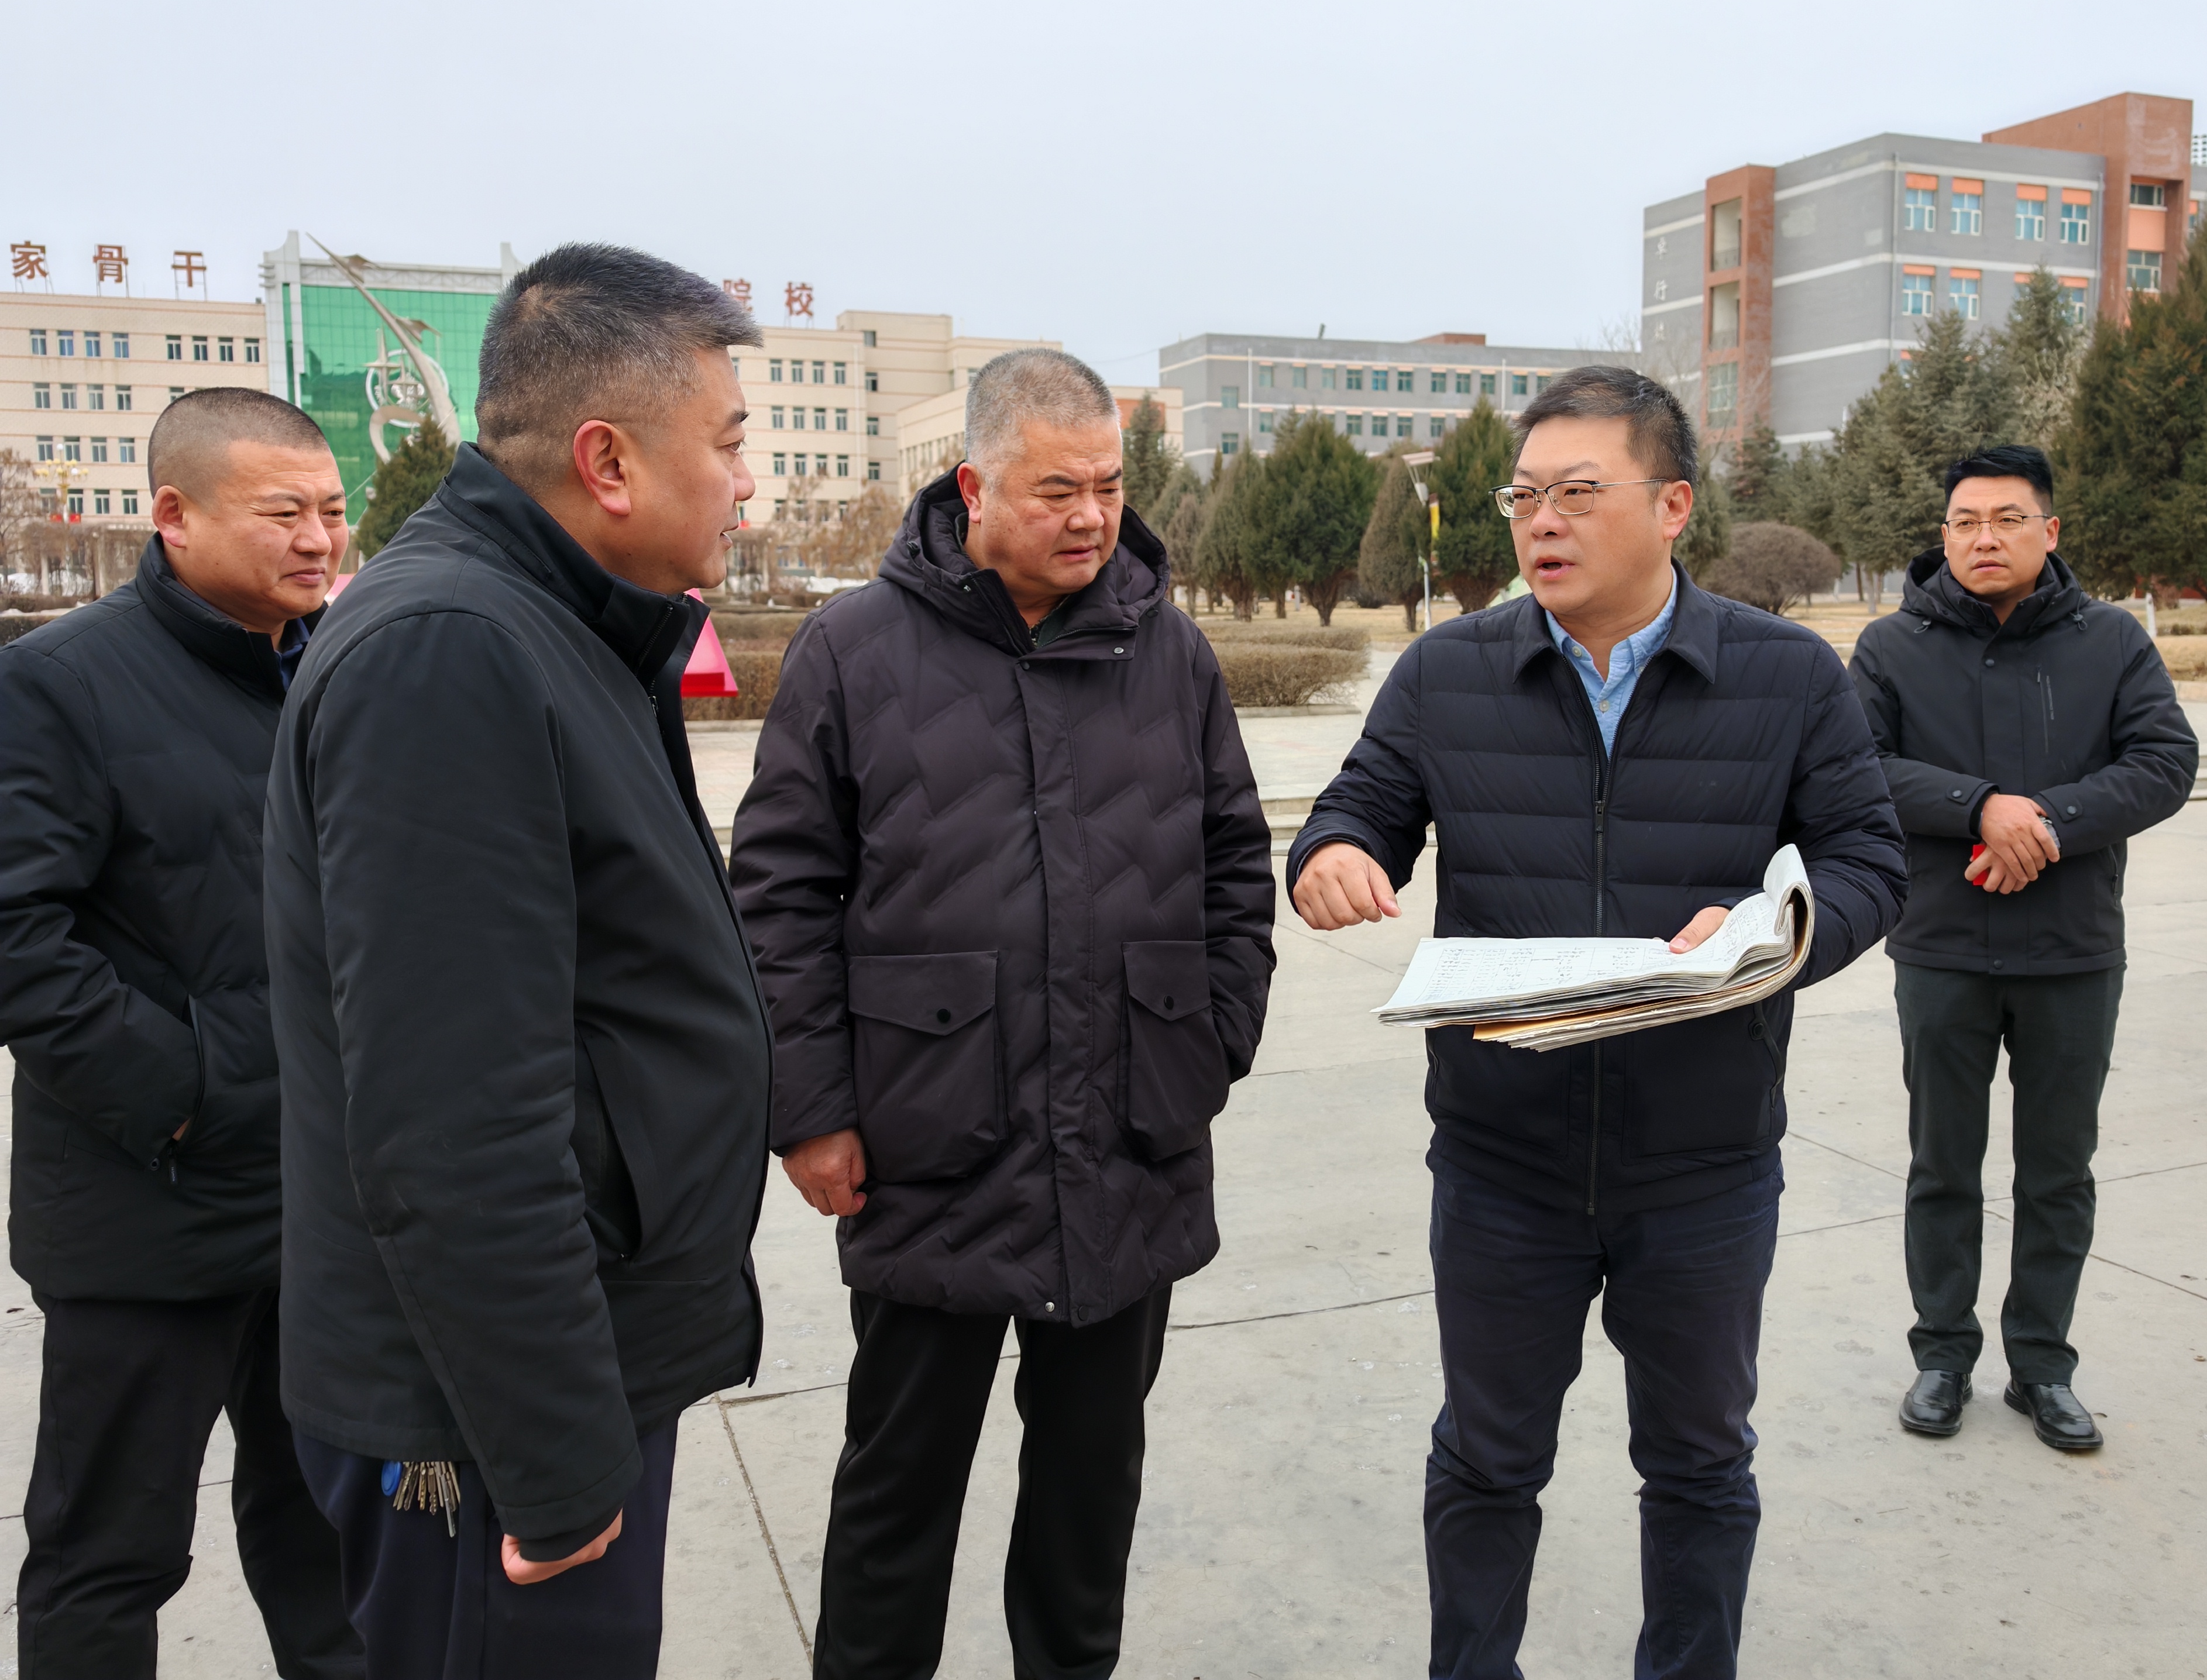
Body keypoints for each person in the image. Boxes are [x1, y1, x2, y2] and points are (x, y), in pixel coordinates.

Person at [1289, 367, 1907, 1680]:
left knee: (1698, 1465)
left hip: (1703, 1166)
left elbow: (1868, 857)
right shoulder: (1448, 672)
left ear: (1672, 505)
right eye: (1524, 497)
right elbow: (1360, 806)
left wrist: (1778, 930)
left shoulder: (1789, 677)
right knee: (1485, 1459)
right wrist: (1332, 856)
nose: (1542, 521)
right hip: (1501, 1163)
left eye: (1578, 491)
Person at [263, 245, 774, 1678]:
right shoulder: (449, 653)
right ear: (608, 461)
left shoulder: (555, 625)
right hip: (483, 1427)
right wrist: (551, 1463)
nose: (748, 483)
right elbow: (454, 1125)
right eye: (729, 442)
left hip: (554, 1375)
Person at [731, 347, 1275, 1679]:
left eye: (1109, 487)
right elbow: (781, 893)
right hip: (927, 1143)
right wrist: (810, 1109)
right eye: (1055, 491)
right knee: (897, 1489)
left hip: (1127, 1139)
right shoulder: (853, 649)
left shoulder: (1168, 649)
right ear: (973, 488)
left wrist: (1210, 1042)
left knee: (1090, 1497)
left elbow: (1232, 860)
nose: (1092, 517)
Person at [0, 388, 362, 1678]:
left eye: (332, 509)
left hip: (319, 1207)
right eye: (283, 512)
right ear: (174, 514)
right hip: (144, 1210)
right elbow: (16, 936)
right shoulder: (59, 682)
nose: (318, 538)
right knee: (109, 1554)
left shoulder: (337, 666)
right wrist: (195, 1091)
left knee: (329, 1534)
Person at [1848, 445, 2196, 1452]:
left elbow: (2165, 760)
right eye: (1965, 521)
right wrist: (1978, 808)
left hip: (2072, 952)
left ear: (2050, 530)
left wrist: (2044, 821)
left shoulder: (2111, 641)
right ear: (1944, 535)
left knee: (2058, 1170)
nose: (1984, 538)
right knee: (1942, 1165)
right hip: (1942, 948)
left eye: (2007, 519)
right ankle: (1942, 1357)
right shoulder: (1891, 648)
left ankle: (2043, 1365)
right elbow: (1856, 767)